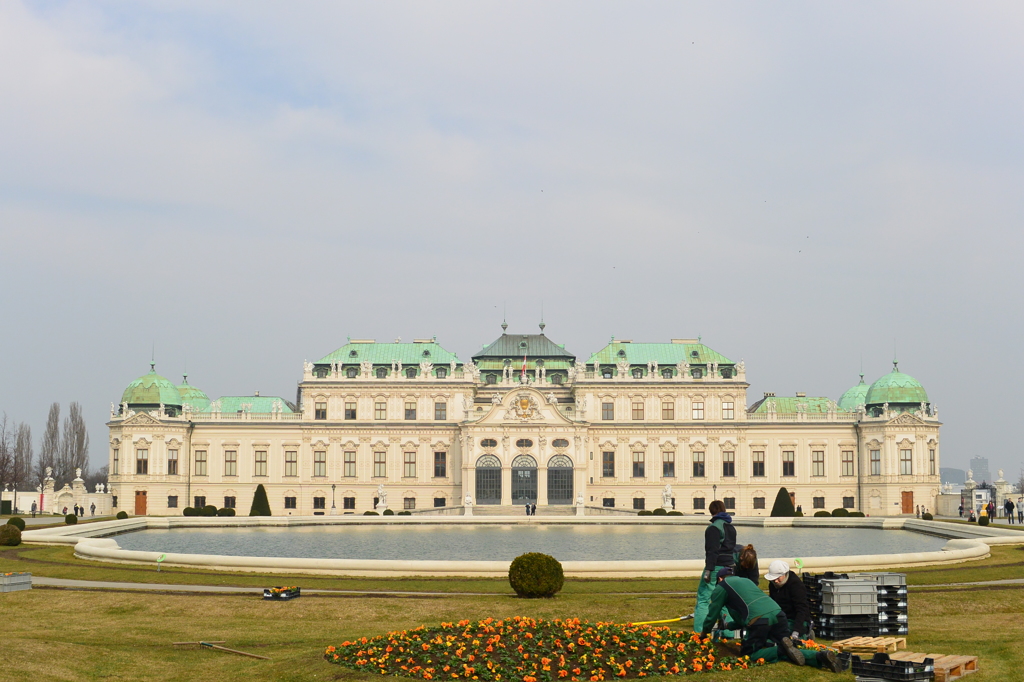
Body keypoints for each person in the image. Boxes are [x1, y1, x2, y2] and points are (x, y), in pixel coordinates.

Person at [699, 568, 844, 672]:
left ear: (719, 579)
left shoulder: (722, 587)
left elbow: (712, 614)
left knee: (750, 655)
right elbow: (745, 614)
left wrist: (704, 633)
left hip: (760, 620)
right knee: (791, 649)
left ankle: (781, 649)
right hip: (778, 614)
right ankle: (819, 656)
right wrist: (728, 626)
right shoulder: (745, 581)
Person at [693, 500, 737, 631]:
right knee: (724, 599)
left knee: (704, 599)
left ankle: (700, 631)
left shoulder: (714, 528)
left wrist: (708, 570)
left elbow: (712, 551)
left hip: (716, 567)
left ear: (711, 511)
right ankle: (728, 631)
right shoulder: (731, 527)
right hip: (729, 567)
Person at [765, 560, 813, 640]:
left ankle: (806, 634)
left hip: (797, 620)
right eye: (773, 579)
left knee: (782, 633)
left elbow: (802, 609)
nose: (775, 581)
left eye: (778, 578)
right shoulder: (773, 584)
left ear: (784, 574)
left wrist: (796, 631)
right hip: (782, 617)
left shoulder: (796, 585)